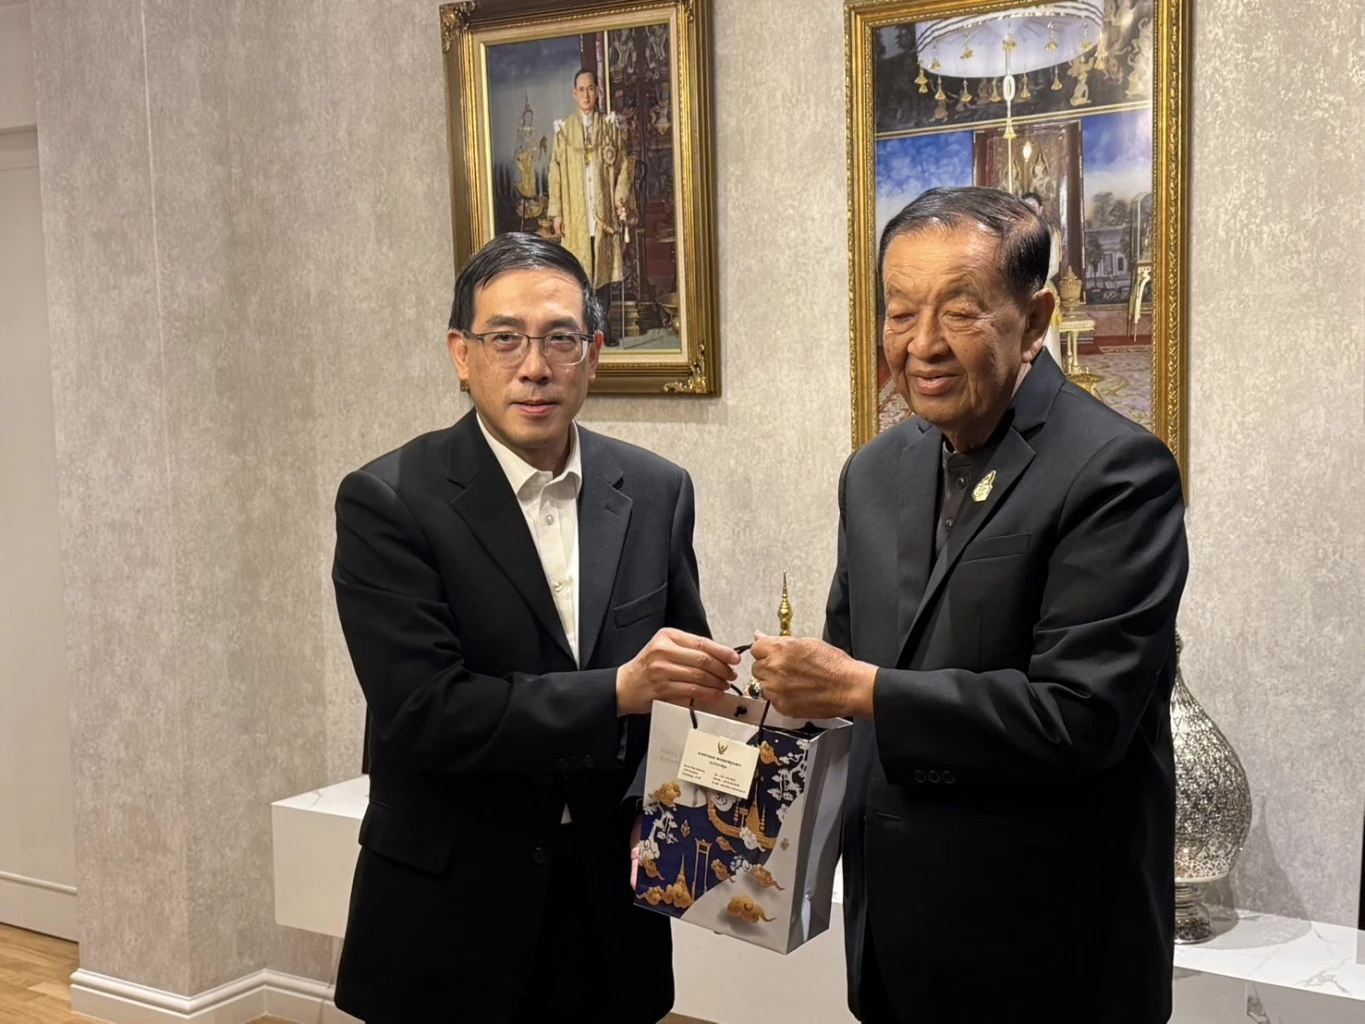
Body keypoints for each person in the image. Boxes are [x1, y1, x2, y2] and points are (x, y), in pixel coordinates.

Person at [751, 187, 1188, 1023]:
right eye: (899, 312)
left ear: (1035, 318)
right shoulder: (873, 473)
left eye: (958, 311)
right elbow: (845, 676)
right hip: (896, 936)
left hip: (1048, 948)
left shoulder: (1115, 472)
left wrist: (860, 689)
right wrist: (751, 699)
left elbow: (1079, 715)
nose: (921, 345)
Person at [330, 231, 739, 1024]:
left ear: (593, 353)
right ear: (461, 354)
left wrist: (710, 758)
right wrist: (616, 691)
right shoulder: (389, 501)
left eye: (559, 338)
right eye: (504, 338)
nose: (534, 366)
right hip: (449, 907)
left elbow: (677, 693)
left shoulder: (656, 490)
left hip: (607, 902)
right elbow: (424, 712)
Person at [548, 68, 635, 345]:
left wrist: (620, 199)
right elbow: (555, 174)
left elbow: (623, 168)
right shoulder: (564, 131)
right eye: (581, 90)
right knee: (579, 272)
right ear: (574, 94)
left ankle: (603, 328)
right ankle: (583, 328)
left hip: (603, 214)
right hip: (576, 214)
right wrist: (557, 213)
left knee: (603, 271)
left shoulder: (610, 128)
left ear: (598, 92)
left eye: (590, 89)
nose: (586, 95)